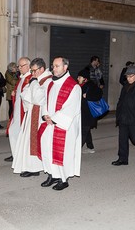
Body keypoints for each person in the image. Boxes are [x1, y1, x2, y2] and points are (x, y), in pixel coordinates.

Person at [37, 57, 81, 191]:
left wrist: (54, 119)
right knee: (47, 149)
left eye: (57, 66)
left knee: (62, 152)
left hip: (63, 126)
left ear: (65, 67)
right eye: (53, 66)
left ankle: (63, 178)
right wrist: (45, 114)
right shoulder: (50, 83)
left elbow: (71, 107)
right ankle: (51, 174)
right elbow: (45, 100)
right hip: (50, 123)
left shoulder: (73, 86)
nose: (53, 68)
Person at [12, 58, 52, 177]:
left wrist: (33, 83)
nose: (33, 74)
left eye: (34, 71)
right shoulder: (37, 79)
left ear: (42, 69)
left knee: (39, 142)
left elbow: (38, 99)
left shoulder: (47, 81)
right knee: (29, 141)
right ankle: (32, 166)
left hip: (40, 116)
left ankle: (38, 167)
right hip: (32, 114)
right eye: (32, 71)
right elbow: (26, 94)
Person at [4, 57, 32, 162]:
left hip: (23, 113)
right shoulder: (22, 77)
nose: (19, 68)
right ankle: (15, 153)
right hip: (17, 111)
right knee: (13, 131)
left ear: (28, 66)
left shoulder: (30, 79)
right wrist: (14, 93)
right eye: (18, 66)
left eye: (21, 66)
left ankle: (19, 156)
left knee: (21, 135)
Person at [77, 69, 103, 153]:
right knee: (86, 130)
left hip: (88, 114)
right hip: (83, 113)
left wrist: (88, 96)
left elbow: (98, 95)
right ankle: (90, 147)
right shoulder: (81, 86)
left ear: (85, 78)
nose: (77, 78)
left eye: (79, 77)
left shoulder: (90, 86)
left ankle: (75, 151)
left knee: (83, 131)